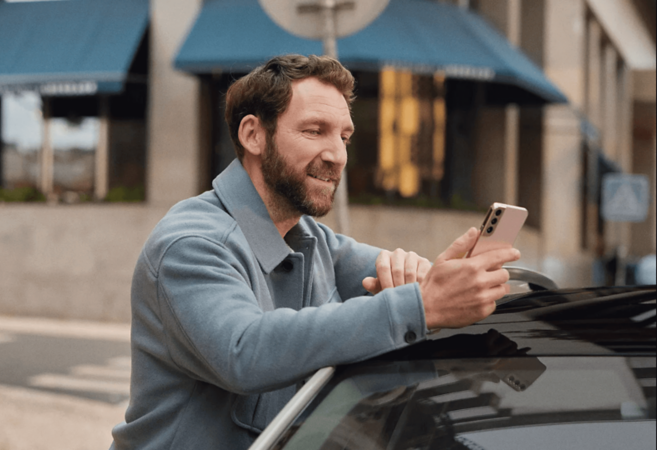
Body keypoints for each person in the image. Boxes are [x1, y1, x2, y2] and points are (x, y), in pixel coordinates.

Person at [109, 54, 519, 450]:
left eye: (344, 137)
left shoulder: (313, 239)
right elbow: (244, 351)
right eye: (314, 131)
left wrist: (437, 282)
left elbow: (411, 291)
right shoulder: (191, 244)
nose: (337, 155)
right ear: (253, 135)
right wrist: (421, 304)